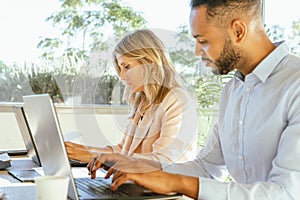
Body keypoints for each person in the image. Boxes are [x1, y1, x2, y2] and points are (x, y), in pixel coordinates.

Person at [87, 0, 300, 199]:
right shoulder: (233, 91)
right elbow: (207, 168)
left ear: (238, 31)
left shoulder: (294, 85)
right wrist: (139, 166)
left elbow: (287, 193)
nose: (197, 52)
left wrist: (176, 182)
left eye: (203, 41)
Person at [65, 29, 198, 165]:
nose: (122, 77)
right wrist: (83, 151)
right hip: (138, 184)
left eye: (127, 67)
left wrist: (95, 156)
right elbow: (123, 150)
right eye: (120, 69)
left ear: (150, 63)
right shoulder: (144, 102)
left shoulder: (178, 101)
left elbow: (165, 161)